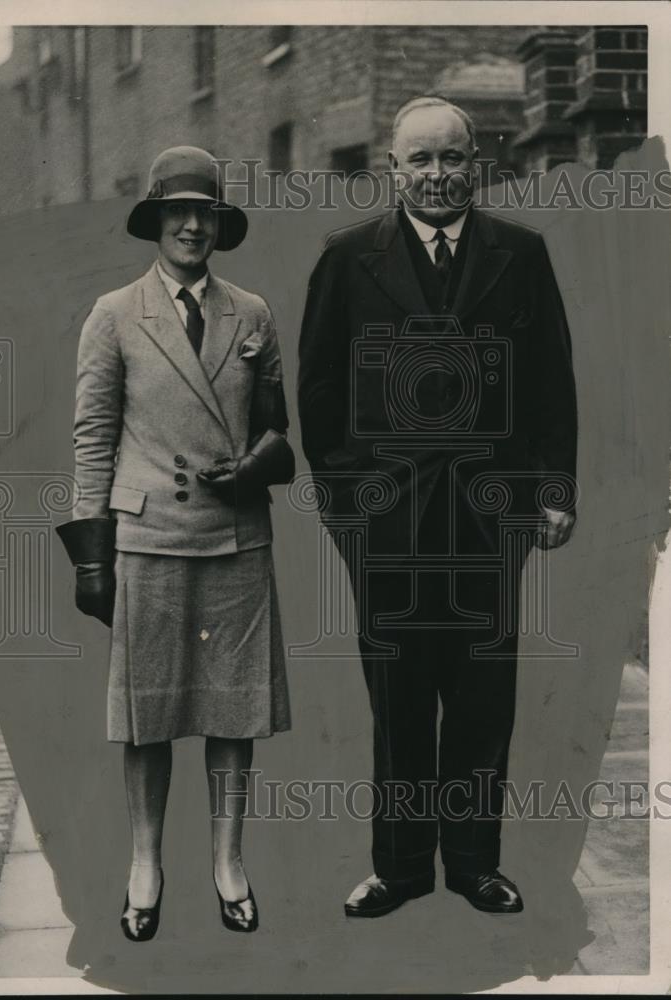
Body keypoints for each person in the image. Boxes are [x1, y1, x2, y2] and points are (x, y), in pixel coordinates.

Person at [298, 97, 577, 917]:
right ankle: (401, 868)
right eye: (420, 160)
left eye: (452, 158)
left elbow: (552, 385)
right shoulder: (348, 259)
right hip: (387, 524)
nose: (438, 175)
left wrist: (554, 491)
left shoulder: (519, 255)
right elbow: (318, 390)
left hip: (492, 518)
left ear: (476, 165)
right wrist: (348, 503)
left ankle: (474, 865)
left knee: (484, 696)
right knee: (399, 697)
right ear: (394, 168)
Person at [56, 146, 294, 940]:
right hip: (149, 536)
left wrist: (256, 464)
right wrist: (92, 554)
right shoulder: (114, 314)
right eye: (178, 212)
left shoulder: (252, 313)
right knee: (147, 717)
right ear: (156, 221)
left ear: (220, 226)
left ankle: (228, 862)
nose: (192, 225)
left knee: (233, 714)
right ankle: (145, 864)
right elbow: (92, 437)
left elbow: (276, 427)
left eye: (206, 214)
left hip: (234, 538)